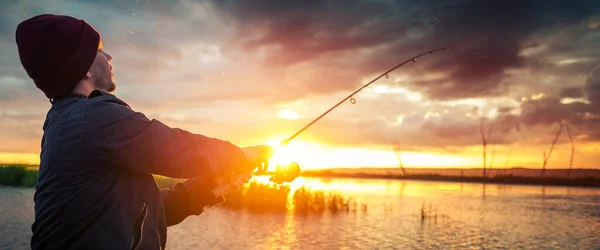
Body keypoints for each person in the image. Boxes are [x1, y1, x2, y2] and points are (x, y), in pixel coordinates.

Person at [15, 14, 274, 250]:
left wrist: (208, 187)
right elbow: (175, 150)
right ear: (82, 66)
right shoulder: (92, 117)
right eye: (98, 49)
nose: (108, 57)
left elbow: (138, 212)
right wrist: (242, 155)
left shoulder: (67, 122)